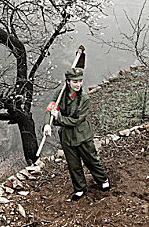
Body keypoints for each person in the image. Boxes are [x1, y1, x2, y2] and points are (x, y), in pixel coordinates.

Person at [43, 68, 110, 201]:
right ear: (68, 82)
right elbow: (50, 109)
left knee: (91, 159)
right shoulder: (59, 93)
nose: (78, 84)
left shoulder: (84, 98)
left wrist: (58, 119)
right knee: (73, 164)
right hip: (67, 136)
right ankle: (79, 188)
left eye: (80, 81)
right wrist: (47, 124)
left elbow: (77, 120)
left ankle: (102, 179)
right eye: (75, 82)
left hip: (82, 133)